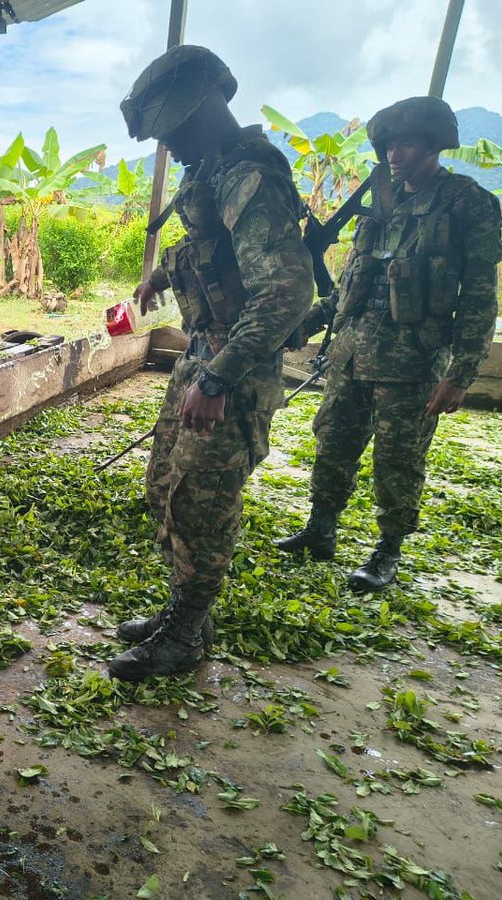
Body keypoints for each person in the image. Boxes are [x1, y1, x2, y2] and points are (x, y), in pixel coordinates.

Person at [107, 46, 314, 680]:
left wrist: (220, 377)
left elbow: (286, 290)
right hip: (201, 354)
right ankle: (183, 613)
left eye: (170, 128)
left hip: (233, 365)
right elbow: (212, 252)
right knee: (166, 488)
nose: (167, 141)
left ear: (202, 109)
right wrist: (162, 278)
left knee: (202, 501)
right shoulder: (212, 168)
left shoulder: (250, 176)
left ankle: (187, 635)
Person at [275, 96, 502, 591]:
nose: (395, 154)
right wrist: (307, 324)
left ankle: (387, 553)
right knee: (332, 443)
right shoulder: (378, 199)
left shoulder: (466, 202)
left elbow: (481, 297)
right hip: (351, 352)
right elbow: (352, 284)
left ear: (434, 145)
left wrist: (460, 373)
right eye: (389, 145)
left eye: (407, 143)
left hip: (413, 362)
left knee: (398, 461)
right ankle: (321, 530)